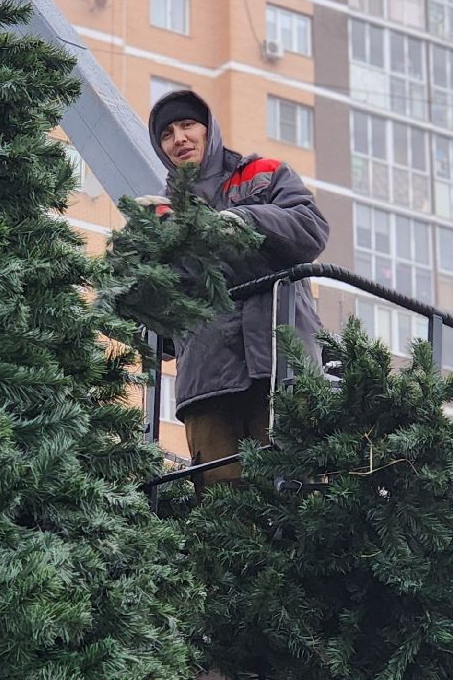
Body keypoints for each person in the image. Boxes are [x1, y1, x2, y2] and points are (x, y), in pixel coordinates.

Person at [140, 88, 329, 486]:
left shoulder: (265, 173)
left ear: (209, 131)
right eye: (167, 133)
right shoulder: (160, 215)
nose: (179, 138)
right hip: (207, 379)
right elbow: (163, 305)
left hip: (280, 362)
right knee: (222, 506)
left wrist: (247, 220)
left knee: (295, 489)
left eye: (188, 125)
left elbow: (311, 230)